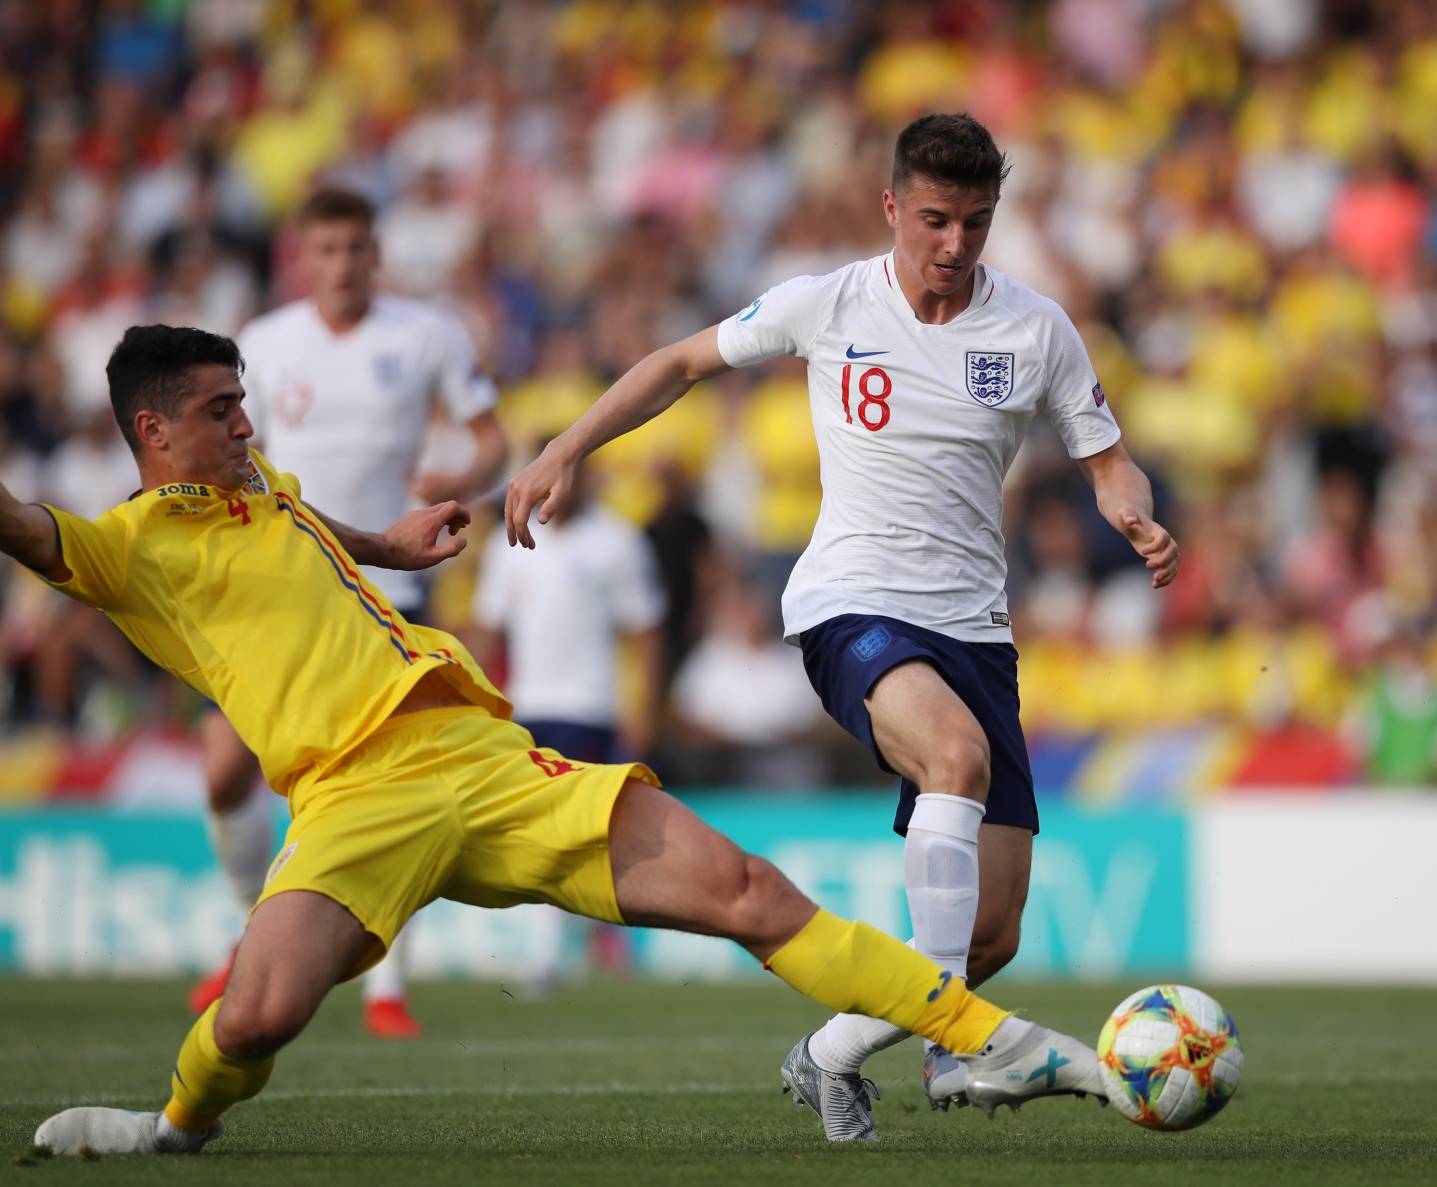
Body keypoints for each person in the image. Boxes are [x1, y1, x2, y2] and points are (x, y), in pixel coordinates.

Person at [10, 325, 1105, 1156]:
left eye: (243, 404)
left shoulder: (265, 493)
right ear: (153, 432)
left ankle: (985, 1034)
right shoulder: (124, 549)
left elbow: (311, 531)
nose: (244, 426)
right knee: (252, 1019)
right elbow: (24, 527)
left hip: (478, 753)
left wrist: (387, 542)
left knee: (749, 888)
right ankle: (172, 1127)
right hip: (348, 797)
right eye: (217, 411)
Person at [504, 113, 1179, 1141]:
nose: (954, 246)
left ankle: (828, 1052)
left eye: (977, 224)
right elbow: (680, 362)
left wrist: (1126, 505)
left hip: (975, 633)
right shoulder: (829, 302)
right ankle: (957, 1046)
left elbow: (1105, 455)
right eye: (936, 221)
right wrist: (565, 445)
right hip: (850, 603)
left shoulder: (1037, 327)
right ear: (892, 207)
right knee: (952, 757)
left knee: (986, 932)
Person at [188, 187, 509, 1038]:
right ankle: (249, 923)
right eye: (326, 249)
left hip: (389, 584)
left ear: (377, 253)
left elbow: (493, 437)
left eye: (356, 249)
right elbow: (231, 452)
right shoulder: (263, 342)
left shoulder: (425, 333)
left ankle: (386, 989)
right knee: (225, 770)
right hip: (280, 583)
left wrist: (453, 482)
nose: (342, 265)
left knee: (383, 779)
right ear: (303, 255)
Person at [470, 453, 665, 989]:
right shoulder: (507, 544)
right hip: (526, 706)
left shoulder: (617, 540)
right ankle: (572, 941)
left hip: (589, 706)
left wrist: (642, 710)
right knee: (547, 832)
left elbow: (644, 630)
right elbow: (489, 629)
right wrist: (480, 705)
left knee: (565, 830)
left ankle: (548, 957)